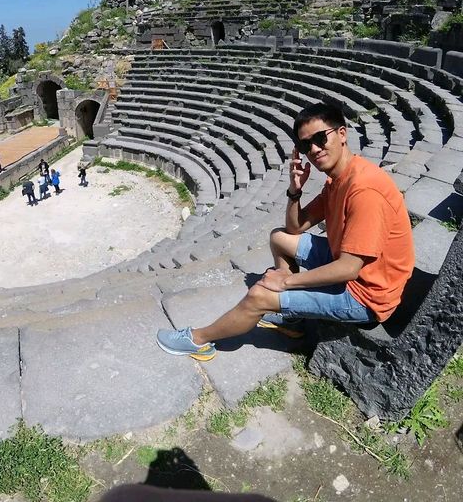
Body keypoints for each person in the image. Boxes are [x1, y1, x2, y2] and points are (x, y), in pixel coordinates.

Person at [157, 102, 415, 361]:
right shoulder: (338, 179)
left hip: (366, 295)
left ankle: (198, 340)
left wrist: (286, 282)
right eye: (305, 145)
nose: (313, 149)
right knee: (279, 238)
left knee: (258, 295)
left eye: (319, 138)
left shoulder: (365, 190)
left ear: (342, 134)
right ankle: (292, 320)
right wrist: (295, 191)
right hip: (348, 263)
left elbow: (349, 269)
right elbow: (296, 227)